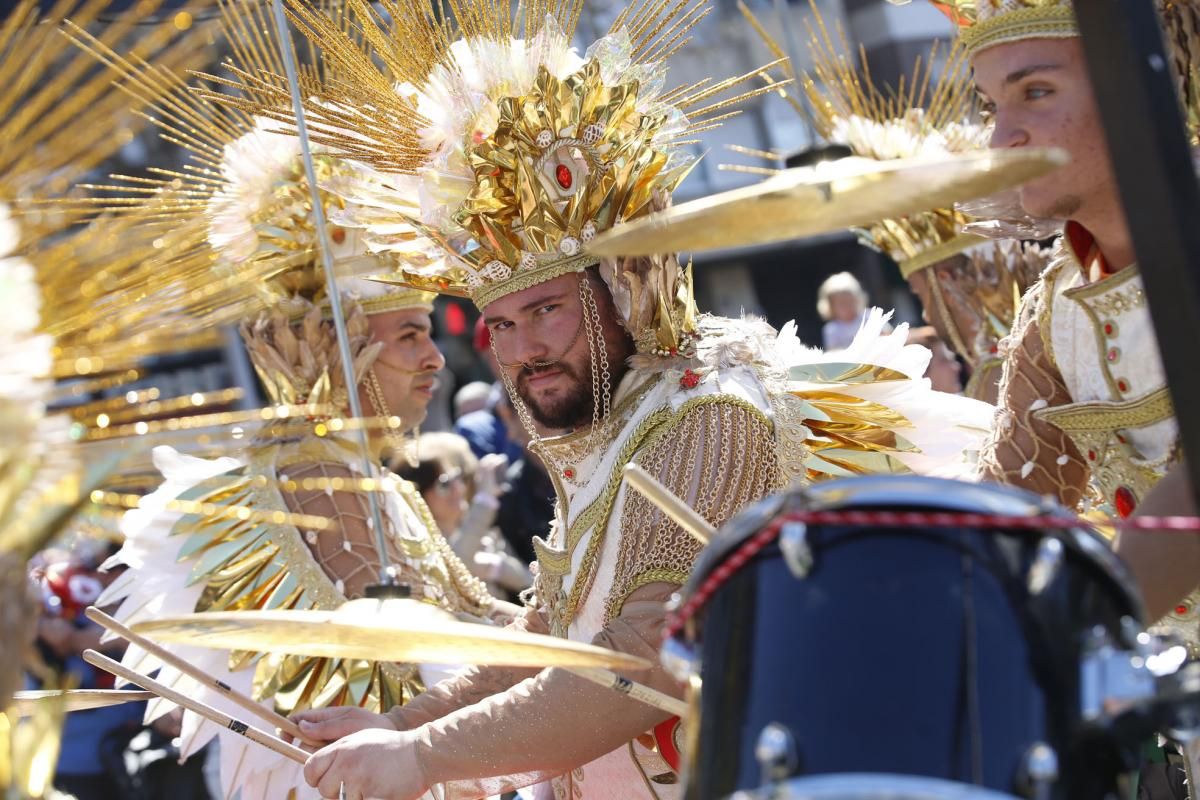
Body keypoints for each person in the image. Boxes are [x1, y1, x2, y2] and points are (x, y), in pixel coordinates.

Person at [264, 1, 994, 797]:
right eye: (499, 324)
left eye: (546, 312)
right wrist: (402, 725)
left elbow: (646, 659)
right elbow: (554, 634)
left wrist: (423, 756)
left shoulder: (709, 409)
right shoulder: (614, 425)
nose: (521, 351)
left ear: (617, 289)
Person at [90, 8, 507, 798]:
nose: (433, 361)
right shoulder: (308, 484)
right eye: (412, 334)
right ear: (341, 347)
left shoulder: (370, 480)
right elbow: (388, 679)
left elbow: (474, 626)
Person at [395, 431, 533, 599]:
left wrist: (496, 567)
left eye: (457, 477)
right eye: (444, 484)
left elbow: (530, 581)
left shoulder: (485, 535)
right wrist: (484, 503)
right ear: (419, 495)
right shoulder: (419, 545)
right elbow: (453, 572)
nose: (458, 487)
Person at [817, 271, 870, 350]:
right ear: (831, 307)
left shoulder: (869, 317)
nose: (848, 307)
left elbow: (888, 335)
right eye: (842, 304)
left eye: (850, 302)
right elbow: (833, 352)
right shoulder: (831, 330)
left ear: (858, 300)